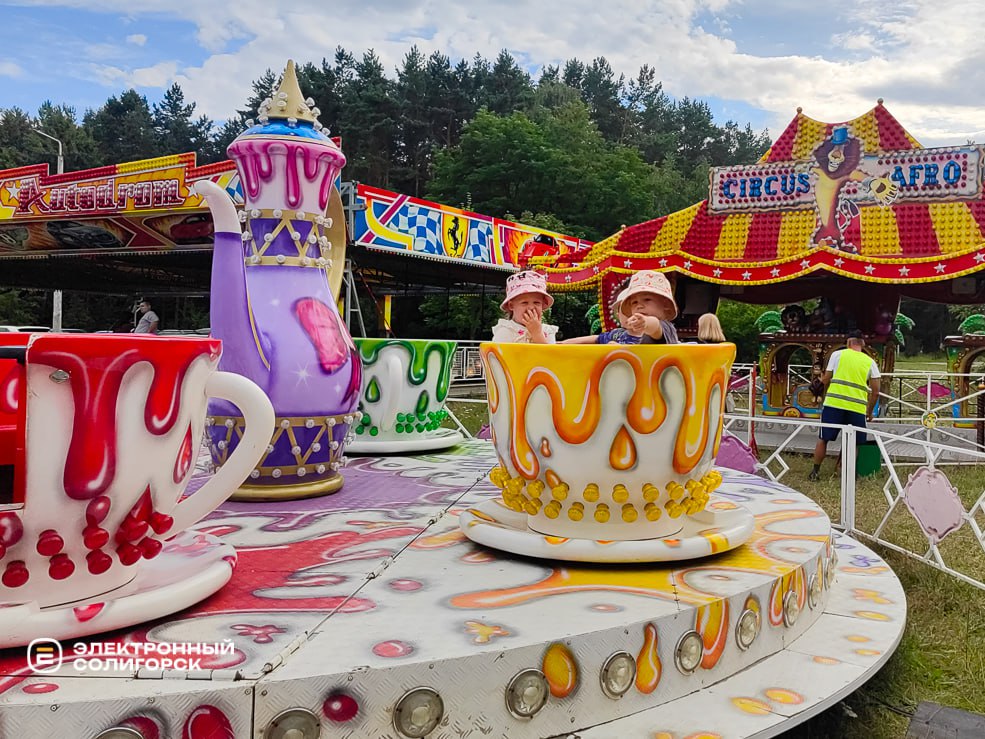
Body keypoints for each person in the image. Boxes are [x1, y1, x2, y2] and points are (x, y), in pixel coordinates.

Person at [809, 330, 881, 481]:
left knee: (823, 438)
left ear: (848, 342)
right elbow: (875, 392)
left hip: (833, 404)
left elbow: (826, 379)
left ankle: (815, 472)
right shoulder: (870, 362)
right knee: (855, 442)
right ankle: (849, 475)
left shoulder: (837, 355)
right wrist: (869, 412)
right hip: (857, 408)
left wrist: (819, 383)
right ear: (862, 343)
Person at [564, 270, 679, 345]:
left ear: (666, 305)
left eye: (647, 299)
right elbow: (597, 338)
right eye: (634, 302)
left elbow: (655, 326)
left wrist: (645, 322)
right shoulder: (622, 333)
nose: (639, 305)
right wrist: (564, 343)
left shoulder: (666, 327)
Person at [491, 271, 558, 344]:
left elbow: (550, 351)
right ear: (511, 305)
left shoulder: (548, 331)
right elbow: (498, 350)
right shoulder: (505, 329)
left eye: (537, 302)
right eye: (524, 303)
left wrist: (537, 333)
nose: (531, 307)